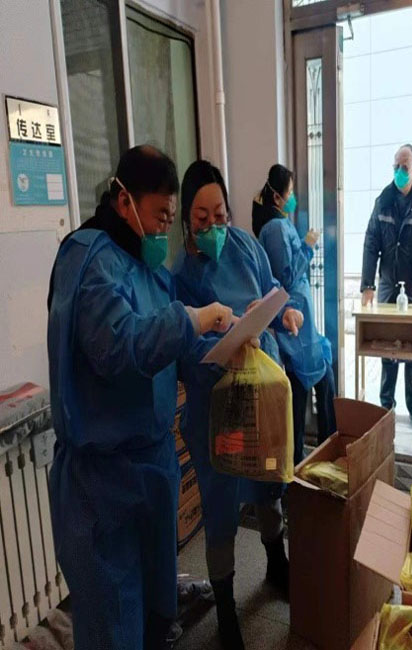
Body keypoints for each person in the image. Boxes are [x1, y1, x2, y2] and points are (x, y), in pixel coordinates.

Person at [47, 145, 235, 650]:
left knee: (156, 612)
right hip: (101, 481)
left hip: (151, 468)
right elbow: (119, 346)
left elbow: (179, 350)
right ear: (124, 200)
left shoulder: (150, 270)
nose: (161, 231)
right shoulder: (87, 260)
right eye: (158, 216)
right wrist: (192, 317)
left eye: (170, 221)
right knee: (113, 621)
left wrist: (229, 345)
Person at [173, 160, 304, 650]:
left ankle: (275, 562)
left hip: (260, 395)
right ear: (187, 220)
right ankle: (226, 605)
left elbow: (271, 291)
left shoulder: (246, 245)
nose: (214, 227)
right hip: (218, 408)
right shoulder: (180, 276)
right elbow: (185, 348)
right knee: (223, 503)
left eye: (221, 215)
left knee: (270, 481)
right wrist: (224, 340)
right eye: (202, 219)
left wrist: (282, 313)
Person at [253, 164, 336, 466]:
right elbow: (286, 277)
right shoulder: (275, 229)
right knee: (300, 396)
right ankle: (298, 468)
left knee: (320, 381)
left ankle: (326, 454)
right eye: (289, 193)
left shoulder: (281, 224)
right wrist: (308, 247)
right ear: (276, 197)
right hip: (292, 325)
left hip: (303, 324)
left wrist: (303, 246)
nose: (293, 198)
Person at [361, 144, 412, 428]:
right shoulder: (383, 200)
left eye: (404, 167)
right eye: (395, 166)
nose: (399, 171)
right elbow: (371, 242)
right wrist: (367, 284)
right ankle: (385, 407)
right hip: (388, 285)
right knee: (387, 349)